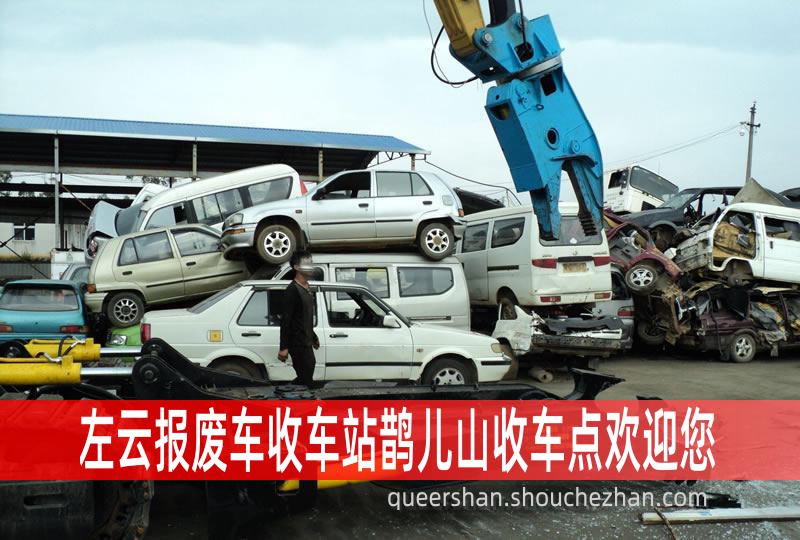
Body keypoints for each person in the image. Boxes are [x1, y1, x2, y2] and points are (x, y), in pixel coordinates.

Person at [278, 250, 320, 386]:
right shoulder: (292, 290)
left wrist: (313, 336)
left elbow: (305, 317)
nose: (311, 267)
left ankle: (288, 393)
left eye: (311, 263)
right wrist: (283, 347)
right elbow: (286, 320)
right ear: (296, 267)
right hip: (297, 343)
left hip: (306, 341)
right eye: (307, 264)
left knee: (306, 375)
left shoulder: (307, 287)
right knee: (306, 377)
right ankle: (285, 394)